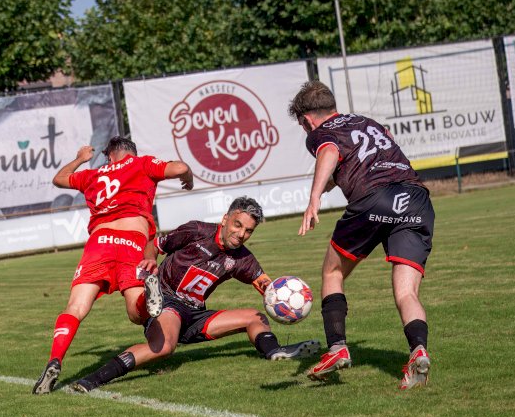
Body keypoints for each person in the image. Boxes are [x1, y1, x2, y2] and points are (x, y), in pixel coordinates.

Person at [70, 197, 320, 393]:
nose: (241, 234)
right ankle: (94, 378)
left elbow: (265, 284)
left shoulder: (243, 258)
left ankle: (274, 351)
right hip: (168, 303)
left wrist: (282, 296)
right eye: (237, 225)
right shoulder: (196, 230)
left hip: (195, 314)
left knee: (254, 316)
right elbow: (154, 245)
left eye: (248, 231)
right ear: (225, 219)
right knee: (164, 348)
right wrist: (149, 259)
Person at [289, 80, 435, 389]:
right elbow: (375, 147)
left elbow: (329, 151)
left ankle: (337, 348)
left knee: (331, 272)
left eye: (303, 125)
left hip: (373, 199)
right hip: (415, 197)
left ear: (307, 119)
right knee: (406, 292)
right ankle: (418, 351)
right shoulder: (367, 122)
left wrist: (314, 197)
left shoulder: (320, 133)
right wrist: (330, 183)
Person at [32, 136, 194, 395]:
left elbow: (59, 179)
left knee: (76, 307)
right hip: (132, 241)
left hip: (100, 242)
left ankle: (55, 359)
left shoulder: (92, 175)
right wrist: (189, 178)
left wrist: (80, 159)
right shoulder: (141, 164)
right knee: (136, 312)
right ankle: (147, 297)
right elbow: (181, 168)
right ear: (131, 152)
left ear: (109, 156)